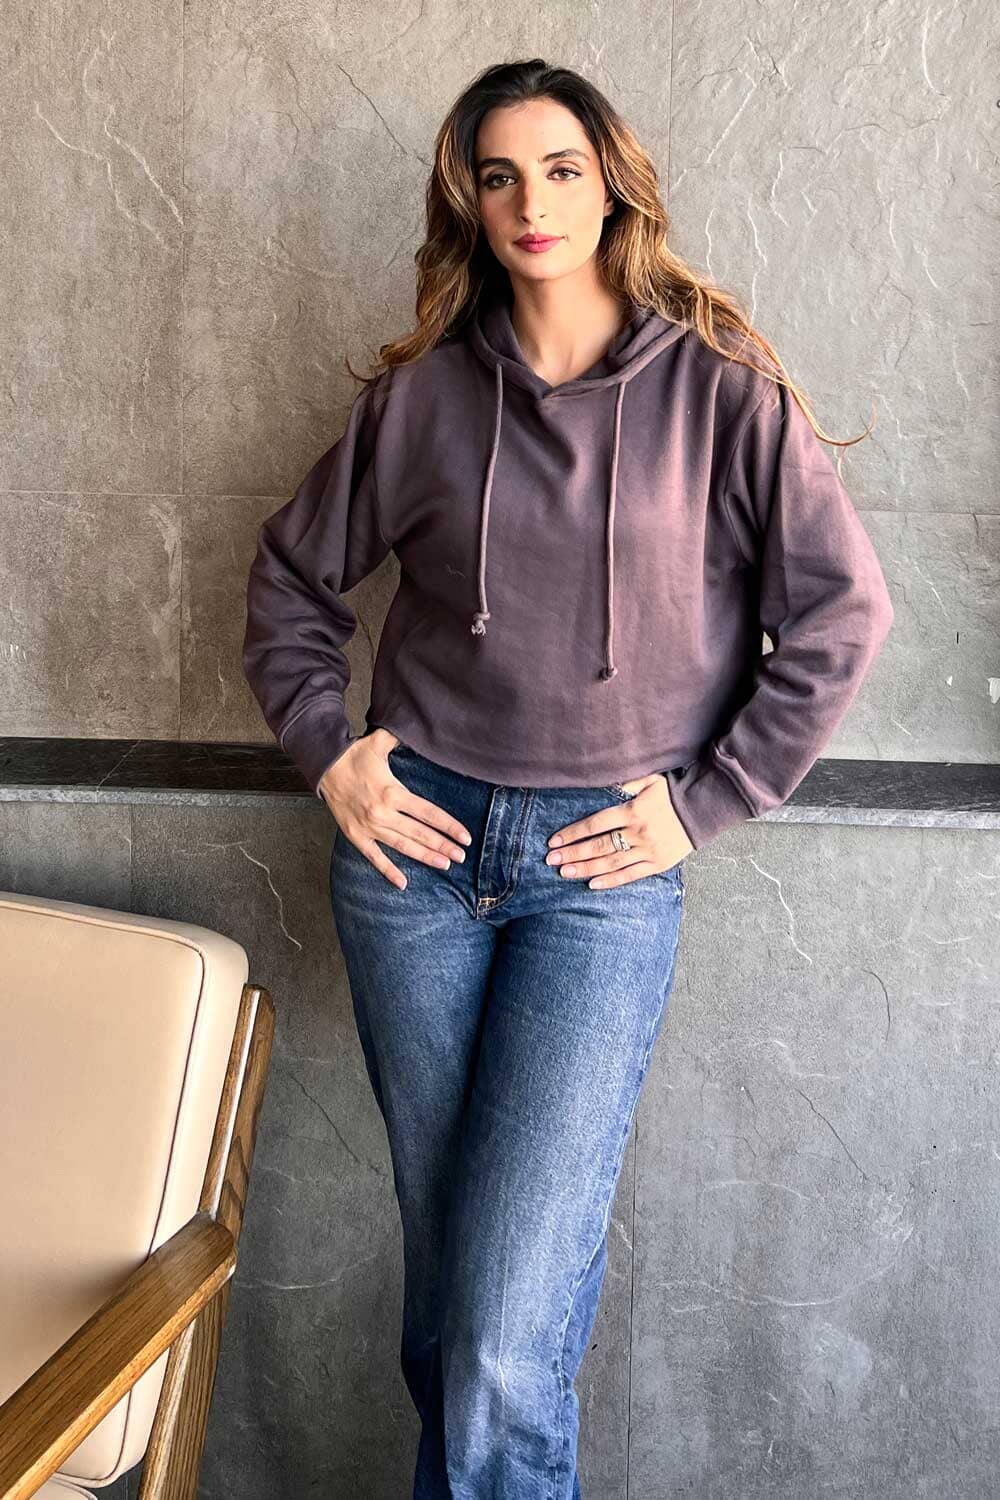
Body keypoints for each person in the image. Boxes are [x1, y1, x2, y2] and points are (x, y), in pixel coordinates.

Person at [242, 58, 894, 1500]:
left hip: (599, 874)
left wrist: (703, 802)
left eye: (560, 169)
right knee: (454, 1304)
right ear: (469, 205)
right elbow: (290, 582)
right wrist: (331, 752)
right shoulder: (421, 400)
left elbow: (842, 615)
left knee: (500, 1327)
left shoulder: (720, 392)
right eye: (499, 176)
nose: (531, 202)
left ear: (612, 188)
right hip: (411, 862)